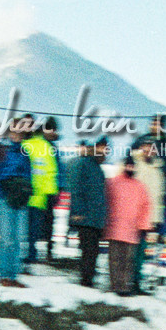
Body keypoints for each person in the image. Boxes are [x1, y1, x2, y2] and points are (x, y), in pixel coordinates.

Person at [0, 115, 32, 287]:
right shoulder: (0, 148)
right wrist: (0, 193)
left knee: (20, 237)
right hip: (5, 198)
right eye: (14, 130)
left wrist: (27, 191)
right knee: (7, 238)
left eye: (21, 131)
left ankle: (13, 275)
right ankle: (4, 274)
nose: (17, 134)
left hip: (21, 199)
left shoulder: (24, 151)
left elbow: (28, 174)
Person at [104, 152, 152, 296]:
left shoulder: (139, 186)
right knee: (115, 260)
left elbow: (145, 207)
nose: (130, 168)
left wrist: (143, 226)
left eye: (132, 166)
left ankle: (125, 286)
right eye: (128, 165)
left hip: (132, 230)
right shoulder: (112, 183)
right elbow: (105, 203)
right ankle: (116, 286)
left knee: (128, 261)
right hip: (115, 228)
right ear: (123, 166)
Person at [67, 138, 107, 289]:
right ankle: (86, 282)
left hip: (95, 218)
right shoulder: (83, 163)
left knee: (93, 251)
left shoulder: (98, 167)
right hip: (85, 216)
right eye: (101, 148)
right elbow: (76, 188)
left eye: (105, 149)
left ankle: (88, 279)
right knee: (88, 250)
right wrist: (78, 211)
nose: (103, 151)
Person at [21, 116, 59, 263]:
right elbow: (51, 172)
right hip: (40, 197)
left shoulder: (24, 145)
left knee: (23, 227)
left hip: (24, 195)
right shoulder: (47, 147)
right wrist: (52, 193)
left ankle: (22, 254)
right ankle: (31, 255)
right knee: (34, 230)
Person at [129, 139, 164, 292]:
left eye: (152, 149)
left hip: (148, 219)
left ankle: (136, 282)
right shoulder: (134, 165)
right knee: (128, 251)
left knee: (141, 252)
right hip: (132, 216)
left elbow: (159, 197)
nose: (149, 151)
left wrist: (157, 219)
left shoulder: (158, 171)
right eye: (146, 148)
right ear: (141, 149)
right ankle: (125, 282)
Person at [143, 113, 166, 235]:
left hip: (162, 191)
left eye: (159, 124)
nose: (156, 126)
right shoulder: (142, 141)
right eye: (154, 123)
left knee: (160, 225)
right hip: (144, 190)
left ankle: (159, 241)